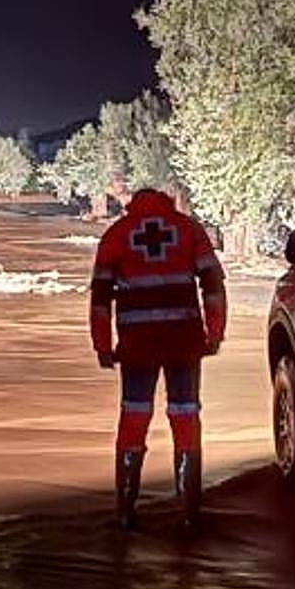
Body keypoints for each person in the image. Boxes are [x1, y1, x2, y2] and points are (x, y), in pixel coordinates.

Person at [89, 188, 227, 531]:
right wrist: (215, 333)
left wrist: (102, 345)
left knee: (134, 417)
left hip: (138, 345)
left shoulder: (116, 235)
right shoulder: (190, 230)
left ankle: (125, 511)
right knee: (185, 417)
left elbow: (100, 297)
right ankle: (190, 512)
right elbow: (213, 285)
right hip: (184, 341)